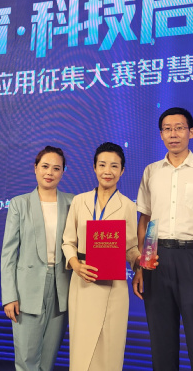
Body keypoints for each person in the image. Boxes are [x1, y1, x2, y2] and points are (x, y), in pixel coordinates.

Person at [132, 107, 193, 371]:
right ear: (161, 134)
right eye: (167, 129)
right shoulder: (151, 171)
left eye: (179, 128)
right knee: (161, 341)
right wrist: (142, 265)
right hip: (157, 260)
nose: (173, 134)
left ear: (191, 132)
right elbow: (146, 221)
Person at [62, 142, 140, 371]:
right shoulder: (79, 201)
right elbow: (68, 241)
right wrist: (76, 265)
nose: (108, 171)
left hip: (114, 285)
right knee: (82, 347)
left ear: (122, 171)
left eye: (114, 166)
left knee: (110, 347)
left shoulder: (128, 206)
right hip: (83, 280)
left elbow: (130, 247)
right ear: (94, 168)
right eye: (102, 165)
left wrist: (140, 261)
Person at [1, 146, 75, 371]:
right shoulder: (19, 203)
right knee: (27, 359)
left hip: (62, 287)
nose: (50, 172)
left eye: (56, 168)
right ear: (35, 168)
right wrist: (9, 296)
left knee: (48, 359)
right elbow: (8, 253)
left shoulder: (73, 202)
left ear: (63, 172)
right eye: (45, 166)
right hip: (27, 290)